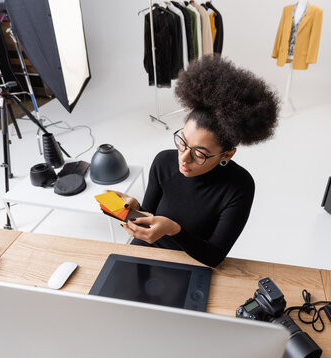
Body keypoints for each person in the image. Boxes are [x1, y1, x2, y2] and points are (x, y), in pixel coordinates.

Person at [117, 56, 279, 267]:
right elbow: (150, 215)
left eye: (200, 154)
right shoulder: (163, 162)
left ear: (227, 155)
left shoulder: (239, 186)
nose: (183, 158)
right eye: (182, 142)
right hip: (145, 253)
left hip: (191, 264)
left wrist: (174, 230)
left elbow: (214, 256)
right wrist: (135, 209)